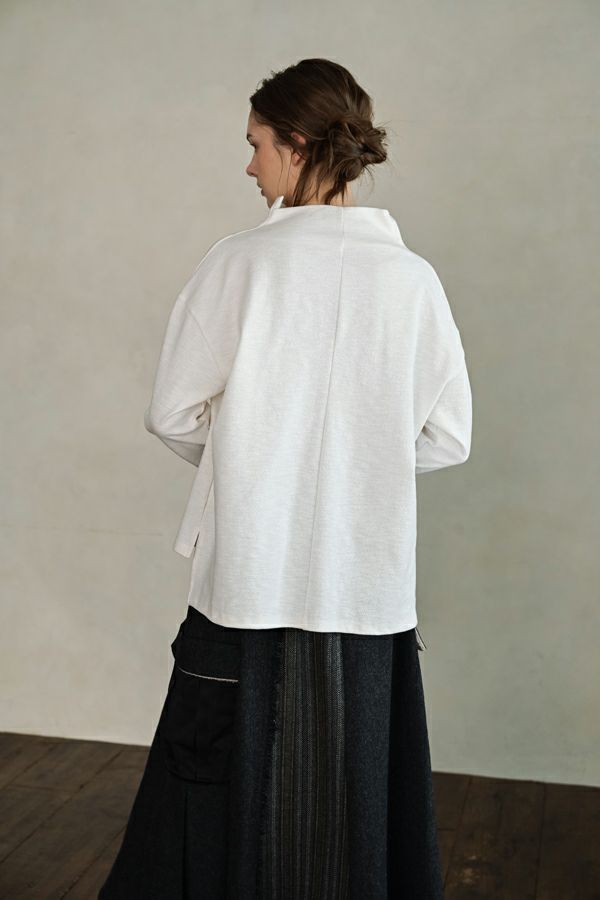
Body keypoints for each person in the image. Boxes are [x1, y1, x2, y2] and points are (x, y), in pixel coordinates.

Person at [98, 57, 472, 900]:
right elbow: (448, 438)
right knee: (357, 803)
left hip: (245, 581)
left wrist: (260, 463)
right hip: (365, 594)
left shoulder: (240, 264)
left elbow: (172, 414)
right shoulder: (412, 281)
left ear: (298, 146)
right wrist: (351, 471)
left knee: (211, 798)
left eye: (257, 144)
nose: (248, 165)